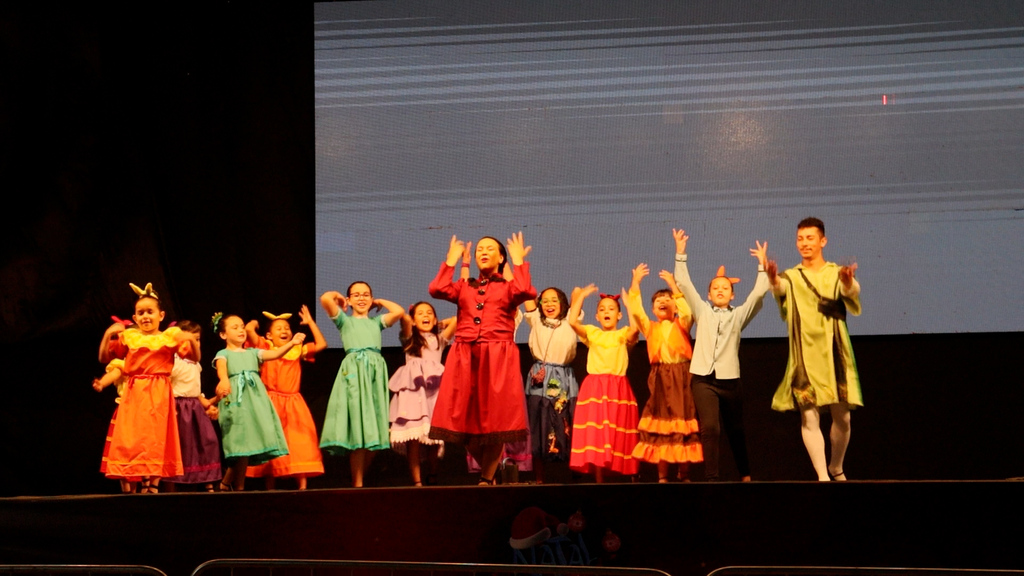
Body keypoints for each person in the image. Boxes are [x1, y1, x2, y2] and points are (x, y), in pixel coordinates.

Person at [427, 233, 536, 485]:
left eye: (489, 249)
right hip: (464, 357)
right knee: (462, 423)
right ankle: (494, 472)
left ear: (500, 258)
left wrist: (519, 263)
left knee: (496, 425)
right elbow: (437, 289)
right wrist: (451, 261)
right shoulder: (466, 286)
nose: (483, 252)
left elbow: (525, 290)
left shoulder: (508, 287)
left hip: (497, 357)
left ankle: (486, 480)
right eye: (479, 250)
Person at [672, 228, 771, 481]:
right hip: (703, 379)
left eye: (725, 287)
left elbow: (758, 295)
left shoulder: (738, 316)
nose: (719, 290)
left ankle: (745, 474)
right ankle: (712, 477)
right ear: (708, 294)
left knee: (735, 429)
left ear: (732, 294)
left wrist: (762, 266)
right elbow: (684, 283)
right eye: (715, 287)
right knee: (711, 428)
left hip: (730, 380)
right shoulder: (702, 311)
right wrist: (681, 253)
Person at [769, 217, 863, 481]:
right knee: (809, 416)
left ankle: (836, 466)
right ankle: (822, 477)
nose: (804, 243)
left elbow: (852, 291)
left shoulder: (836, 272)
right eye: (800, 238)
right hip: (805, 355)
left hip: (834, 354)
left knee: (842, 418)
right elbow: (780, 288)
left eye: (810, 238)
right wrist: (772, 278)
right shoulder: (792, 275)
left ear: (823, 241)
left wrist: (847, 282)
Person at [97, 283, 198, 493]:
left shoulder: (168, 337)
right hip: (134, 391)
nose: (145, 316)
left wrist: (192, 341)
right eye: (140, 312)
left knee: (156, 436)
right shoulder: (131, 338)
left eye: (150, 312)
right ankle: (135, 479)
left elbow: (195, 358)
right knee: (132, 436)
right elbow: (104, 357)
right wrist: (108, 335)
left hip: (158, 390)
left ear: (161, 315)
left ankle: (152, 482)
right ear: (134, 318)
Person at [319, 283, 405, 487]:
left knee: (375, 433)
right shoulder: (345, 321)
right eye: (356, 295)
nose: (361, 298)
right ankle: (357, 484)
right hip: (355, 374)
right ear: (349, 300)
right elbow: (324, 298)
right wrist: (339, 298)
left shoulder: (376, 322)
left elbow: (399, 312)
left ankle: (358, 477)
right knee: (359, 430)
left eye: (366, 295)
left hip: (374, 374)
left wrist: (380, 302)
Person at [625, 263, 702, 482]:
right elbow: (637, 311)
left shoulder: (682, 324)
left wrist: (673, 286)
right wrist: (636, 283)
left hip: (681, 377)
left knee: (682, 421)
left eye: (667, 299)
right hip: (660, 378)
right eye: (657, 300)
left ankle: (684, 473)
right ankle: (662, 476)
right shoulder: (651, 328)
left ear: (675, 306)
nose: (662, 301)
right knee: (662, 425)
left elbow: (687, 310)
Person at [213, 313, 303, 491]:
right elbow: (222, 368)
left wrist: (292, 343)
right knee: (239, 441)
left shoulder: (253, 352)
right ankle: (230, 483)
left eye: (241, 326)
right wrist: (223, 380)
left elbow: (276, 353)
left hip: (255, 400)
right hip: (236, 399)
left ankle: (237, 486)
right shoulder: (223, 353)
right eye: (234, 327)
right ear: (223, 335)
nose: (240, 330)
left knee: (250, 441)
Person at [244, 306, 327, 490]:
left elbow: (321, 344)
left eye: (287, 328)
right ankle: (270, 486)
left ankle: (302, 485)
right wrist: (253, 324)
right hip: (271, 402)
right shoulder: (264, 348)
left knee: (299, 442)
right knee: (271, 444)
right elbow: (249, 332)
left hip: (293, 402)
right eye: (279, 328)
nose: (284, 331)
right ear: (268, 335)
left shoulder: (296, 350)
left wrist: (311, 323)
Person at [567, 284, 640, 483]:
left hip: (617, 387)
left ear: (619, 315)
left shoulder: (623, 333)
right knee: (598, 431)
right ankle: (599, 479)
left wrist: (629, 305)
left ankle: (626, 473)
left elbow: (635, 329)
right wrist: (580, 296)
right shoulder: (592, 332)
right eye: (602, 309)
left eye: (611, 309)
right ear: (597, 316)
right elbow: (572, 321)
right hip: (595, 388)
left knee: (617, 428)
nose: (606, 311)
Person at [388, 301, 456, 486]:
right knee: (414, 439)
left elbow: (458, 320)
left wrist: (441, 323)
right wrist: (410, 318)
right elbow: (404, 318)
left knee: (433, 437)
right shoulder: (409, 338)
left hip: (433, 393)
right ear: (414, 320)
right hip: (413, 392)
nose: (425, 316)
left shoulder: (440, 340)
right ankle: (417, 481)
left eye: (429, 313)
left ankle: (433, 475)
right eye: (420, 313)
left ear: (435, 319)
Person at [521, 287, 579, 484]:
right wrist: (514, 260)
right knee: (539, 424)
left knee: (566, 421)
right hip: (540, 379)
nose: (549, 304)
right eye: (544, 301)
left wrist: (578, 294)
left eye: (554, 300)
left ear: (563, 303)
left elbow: (576, 299)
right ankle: (539, 479)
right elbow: (525, 293)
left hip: (564, 377)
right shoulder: (536, 319)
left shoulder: (570, 320)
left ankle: (574, 476)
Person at [163, 320, 221, 492]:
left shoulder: (196, 363)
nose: (195, 344)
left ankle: (208, 483)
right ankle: (170, 486)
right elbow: (167, 385)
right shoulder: (172, 360)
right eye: (190, 340)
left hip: (195, 407)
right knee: (179, 446)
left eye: (197, 340)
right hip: (178, 407)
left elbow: (195, 390)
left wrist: (209, 404)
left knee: (207, 442)